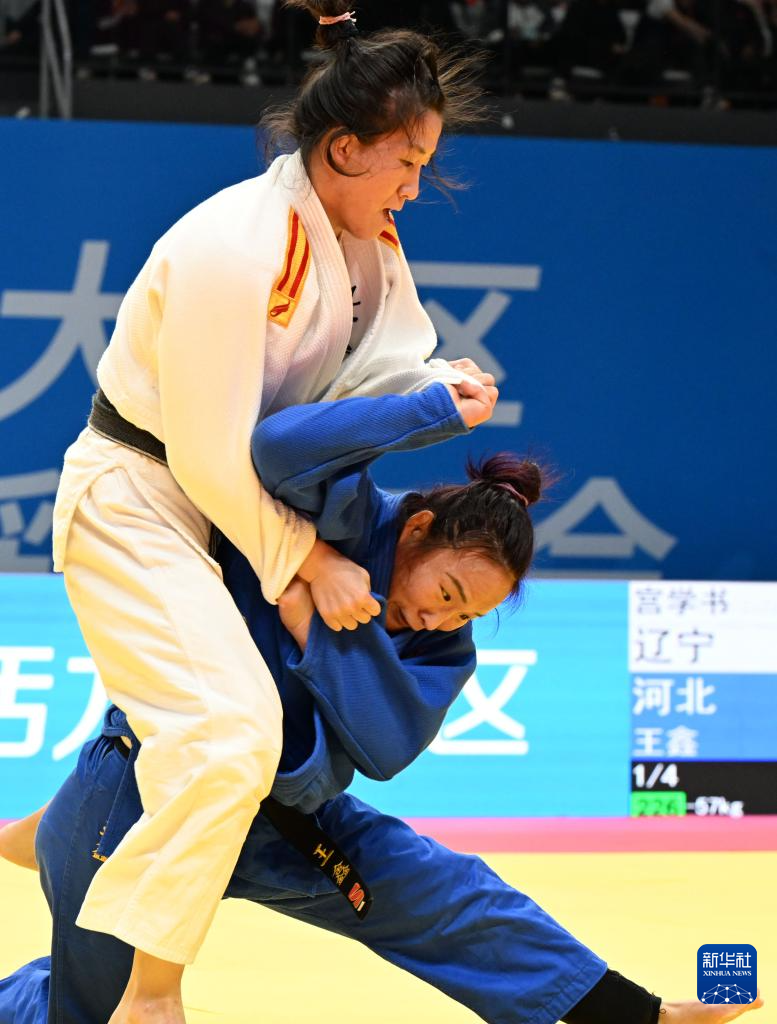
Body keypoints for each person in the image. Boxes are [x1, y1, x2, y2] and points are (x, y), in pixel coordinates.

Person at [0, 386, 765, 1024]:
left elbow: (385, 746)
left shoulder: (442, 648)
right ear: (418, 529)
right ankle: (59, 833)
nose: (438, 620)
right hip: (148, 794)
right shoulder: (340, 515)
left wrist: (318, 627)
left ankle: (640, 1016)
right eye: (446, 592)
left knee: (449, 894)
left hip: (283, 821)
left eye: (465, 614)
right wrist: (419, 421)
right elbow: (273, 446)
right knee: (85, 1009)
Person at [48, 0, 492, 1019]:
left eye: (423, 165)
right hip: (140, 495)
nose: (413, 187)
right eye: (406, 163)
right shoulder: (234, 246)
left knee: (216, 732)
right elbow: (210, 451)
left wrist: (441, 385)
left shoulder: (363, 239)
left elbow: (385, 365)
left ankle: (47, 833)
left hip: (227, 507)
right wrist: (305, 563)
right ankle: (151, 993)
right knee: (230, 732)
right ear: (343, 149)